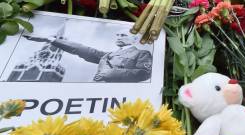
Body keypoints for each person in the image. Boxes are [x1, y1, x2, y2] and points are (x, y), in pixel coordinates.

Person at [25, 32, 153, 83]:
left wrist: (110, 73)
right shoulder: (108, 55)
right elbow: (82, 49)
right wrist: (51, 40)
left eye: (123, 35)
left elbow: (143, 73)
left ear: (135, 39)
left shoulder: (141, 54)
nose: (118, 37)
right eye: (118, 35)